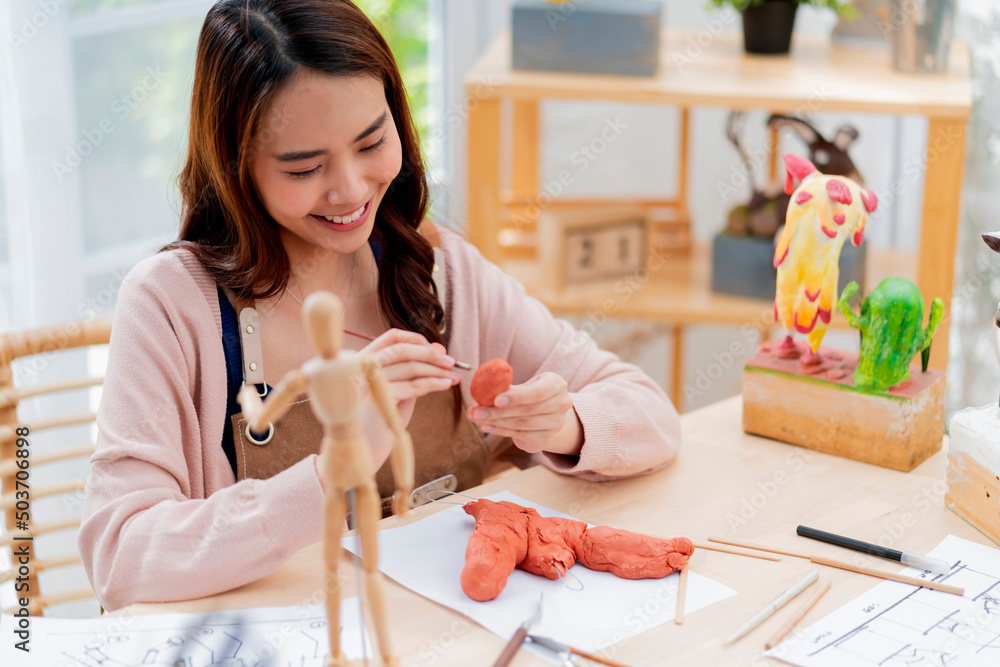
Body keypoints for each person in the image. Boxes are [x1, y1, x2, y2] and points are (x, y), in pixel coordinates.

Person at [79, 0, 681, 613]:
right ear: (236, 168)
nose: (350, 190)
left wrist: (564, 424)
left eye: (371, 143)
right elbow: (120, 556)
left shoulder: (442, 271)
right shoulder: (171, 306)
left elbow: (651, 416)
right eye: (305, 166)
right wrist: (330, 473)